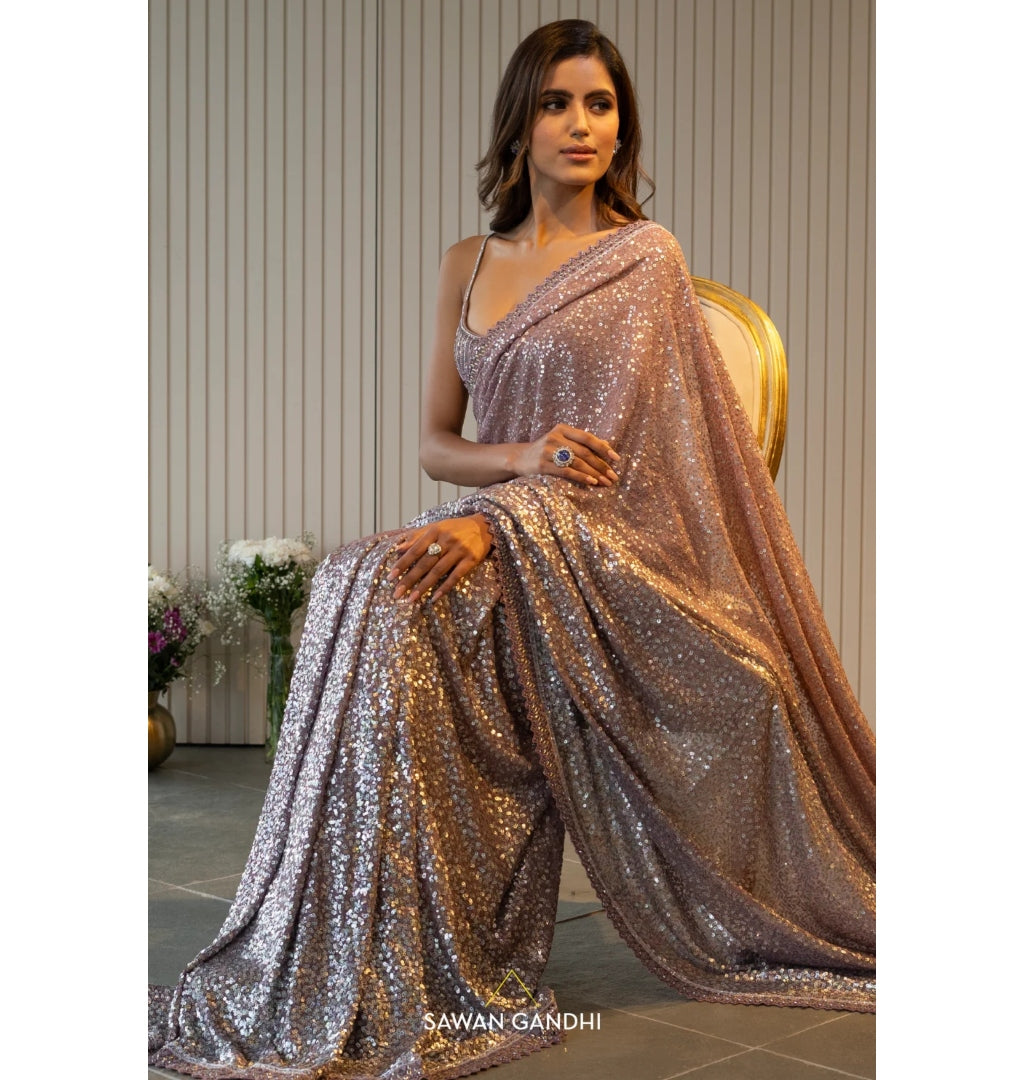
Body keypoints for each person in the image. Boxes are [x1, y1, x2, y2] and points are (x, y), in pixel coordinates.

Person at [149, 18, 875, 1080]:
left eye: (600, 104)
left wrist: (501, 518)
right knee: (361, 581)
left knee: (392, 586)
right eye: (556, 102)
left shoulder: (645, 260)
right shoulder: (468, 261)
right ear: (518, 124)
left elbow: (638, 464)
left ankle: (402, 945)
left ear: (622, 128)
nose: (580, 124)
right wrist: (518, 463)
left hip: (602, 545)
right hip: (502, 524)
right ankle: (364, 946)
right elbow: (436, 444)